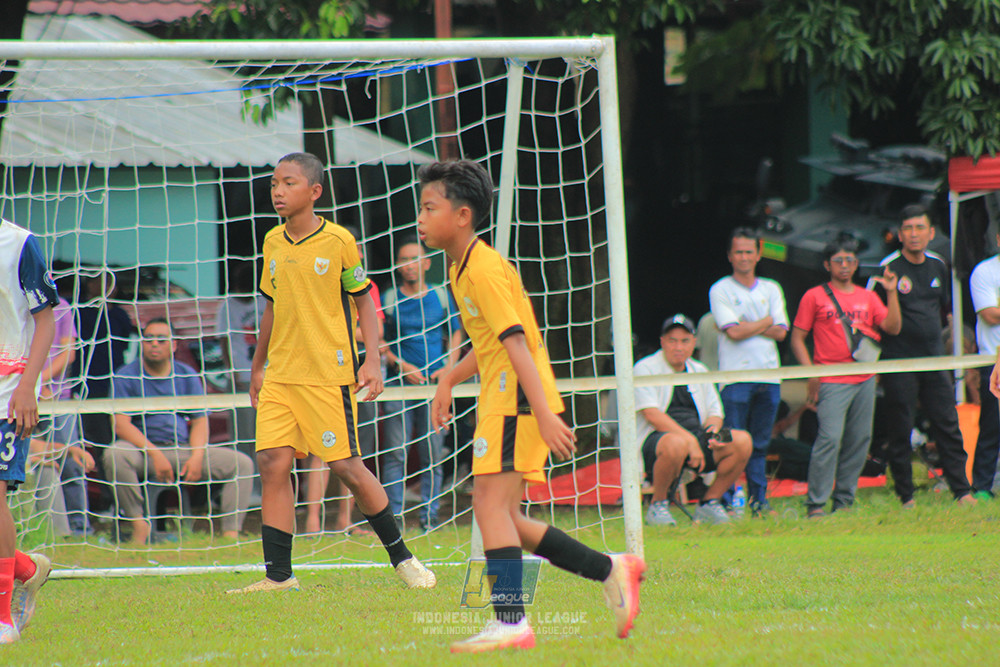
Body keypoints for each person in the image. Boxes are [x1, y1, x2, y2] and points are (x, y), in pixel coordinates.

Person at [425, 159, 646, 653]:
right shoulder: (461, 268)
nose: (420, 218)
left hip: (518, 398)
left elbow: (517, 342)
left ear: (462, 215)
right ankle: (612, 569)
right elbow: (488, 343)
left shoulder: (483, 269)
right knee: (505, 516)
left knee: (488, 505)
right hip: (505, 395)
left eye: (429, 208)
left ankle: (511, 621)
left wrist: (544, 411)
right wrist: (448, 379)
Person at [227, 152, 434, 594]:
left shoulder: (339, 240)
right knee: (272, 462)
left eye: (289, 183)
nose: (278, 191)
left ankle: (403, 558)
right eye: (274, 184)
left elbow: (365, 302)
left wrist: (372, 359)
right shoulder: (272, 241)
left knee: (346, 466)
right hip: (281, 375)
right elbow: (271, 307)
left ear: (314, 191)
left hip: (327, 375)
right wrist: (258, 366)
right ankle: (279, 576)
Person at [104, 317, 254, 545]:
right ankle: (138, 524)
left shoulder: (187, 374)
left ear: (174, 345)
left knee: (242, 464)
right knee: (114, 454)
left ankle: (230, 535)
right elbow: (121, 424)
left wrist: (197, 457)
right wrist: (155, 454)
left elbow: (200, 421)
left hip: (181, 450)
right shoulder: (125, 375)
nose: (154, 344)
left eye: (161, 339)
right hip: (142, 452)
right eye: (149, 339)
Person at [871, 204, 975, 507]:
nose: (914, 234)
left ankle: (962, 491)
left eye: (919, 228)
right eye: (908, 228)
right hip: (899, 360)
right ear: (900, 234)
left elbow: (946, 310)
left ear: (930, 233)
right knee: (900, 428)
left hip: (934, 359)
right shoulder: (888, 267)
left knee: (947, 423)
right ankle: (906, 496)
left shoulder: (939, 265)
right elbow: (872, 315)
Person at [790, 237, 901, 517]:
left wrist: (892, 293)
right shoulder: (814, 296)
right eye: (838, 260)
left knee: (860, 440)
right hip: (831, 377)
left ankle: (844, 502)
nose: (844, 266)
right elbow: (797, 338)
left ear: (856, 264)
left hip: (864, 377)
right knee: (829, 438)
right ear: (827, 265)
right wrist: (811, 373)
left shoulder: (868, 296)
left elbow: (893, 327)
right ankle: (816, 503)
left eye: (850, 261)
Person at [635, 314, 753, 526]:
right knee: (676, 442)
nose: (678, 347)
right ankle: (658, 504)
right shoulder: (645, 368)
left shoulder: (699, 369)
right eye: (672, 341)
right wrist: (689, 441)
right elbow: (651, 414)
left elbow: (716, 412)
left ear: (694, 343)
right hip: (658, 439)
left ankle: (710, 501)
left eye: (684, 341)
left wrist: (713, 432)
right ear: (662, 342)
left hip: (698, 435)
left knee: (742, 439)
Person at [0, 217, 58, 643]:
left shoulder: (18, 243)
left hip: (7, 392)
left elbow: (45, 320)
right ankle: (25, 567)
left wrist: (27, 387)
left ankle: (3, 617)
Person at [302, 226, 382, 537]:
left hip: (354, 374)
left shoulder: (366, 285)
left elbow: (375, 329)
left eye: (356, 248)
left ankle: (344, 521)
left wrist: (341, 335)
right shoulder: (314, 279)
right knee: (318, 452)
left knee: (350, 453)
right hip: (315, 372)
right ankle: (312, 522)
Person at [381, 237, 463, 531]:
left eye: (414, 258)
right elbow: (379, 340)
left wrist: (449, 368)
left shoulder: (441, 295)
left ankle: (430, 517)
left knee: (432, 452)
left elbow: (456, 332)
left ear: (427, 263)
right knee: (396, 452)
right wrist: (400, 365)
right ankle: (393, 519)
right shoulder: (389, 298)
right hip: (397, 385)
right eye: (403, 260)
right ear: (397, 266)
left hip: (434, 388)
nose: (409, 265)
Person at [709, 227, 788, 516]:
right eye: (738, 252)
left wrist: (747, 325)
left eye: (749, 251)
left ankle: (759, 502)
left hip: (769, 376)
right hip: (735, 378)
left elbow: (782, 332)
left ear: (758, 254)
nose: (744, 257)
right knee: (729, 443)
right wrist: (766, 321)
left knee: (761, 443)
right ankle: (725, 501)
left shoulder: (771, 288)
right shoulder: (720, 289)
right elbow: (733, 332)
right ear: (730, 256)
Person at [33, 295, 92, 536]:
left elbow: (69, 353)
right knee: (31, 459)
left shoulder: (61, 306)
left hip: (57, 396)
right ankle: (45, 527)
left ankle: (80, 527)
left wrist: (39, 380)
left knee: (71, 461)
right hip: (17, 394)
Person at [215, 262, 267, 499]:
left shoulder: (265, 302)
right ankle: (247, 490)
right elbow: (223, 340)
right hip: (240, 381)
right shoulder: (227, 306)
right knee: (243, 437)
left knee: (265, 437)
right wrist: (231, 370)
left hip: (266, 378)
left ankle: (263, 488)